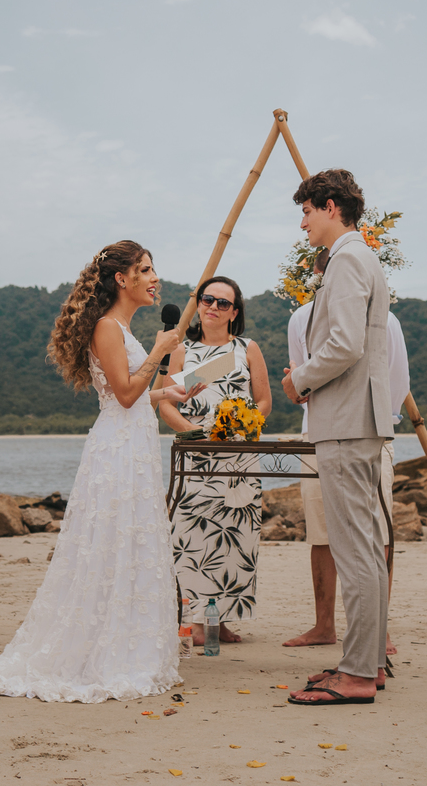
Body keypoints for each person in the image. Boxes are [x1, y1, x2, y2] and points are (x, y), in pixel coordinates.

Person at [0, 240, 201, 703]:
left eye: (154, 270)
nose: (155, 280)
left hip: (133, 443)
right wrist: (160, 351)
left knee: (129, 542)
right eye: (146, 271)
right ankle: (101, 654)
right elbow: (125, 395)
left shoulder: (123, 331)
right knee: (109, 543)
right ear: (121, 280)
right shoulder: (108, 328)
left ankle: (127, 643)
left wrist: (169, 395)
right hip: (116, 450)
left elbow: (129, 396)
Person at [281, 169, 393, 707]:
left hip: (347, 421)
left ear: (329, 206)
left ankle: (355, 676)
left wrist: (299, 379)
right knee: (367, 549)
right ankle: (368, 663)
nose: (302, 223)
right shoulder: (364, 257)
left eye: (305, 212)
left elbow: (345, 344)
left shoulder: (348, 259)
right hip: (361, 419)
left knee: (354, 552)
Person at [283, 248, 410, 662]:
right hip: (318, 431)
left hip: (366, 432)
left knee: (374, 534)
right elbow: (302, 377)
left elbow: (396, 380)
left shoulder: (386, 319)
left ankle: (375, 630)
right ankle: (325, 625)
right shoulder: (301, 319)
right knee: (322, 532)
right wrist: (305, 390)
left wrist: (375, 419)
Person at [159, 276, 273, 646]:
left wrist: (247, 422)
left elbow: (265, 400)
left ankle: (220, 621)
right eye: (208, 299)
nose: (213, 306)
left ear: (234, 312)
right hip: (196, 458)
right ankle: (193, 621)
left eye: (223, 302)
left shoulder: (248, 349)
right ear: (199, 304)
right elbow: (165, 403)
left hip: (240, 458)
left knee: (236, 538)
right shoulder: (182, 350)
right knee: (192, 537)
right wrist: (195, 434)